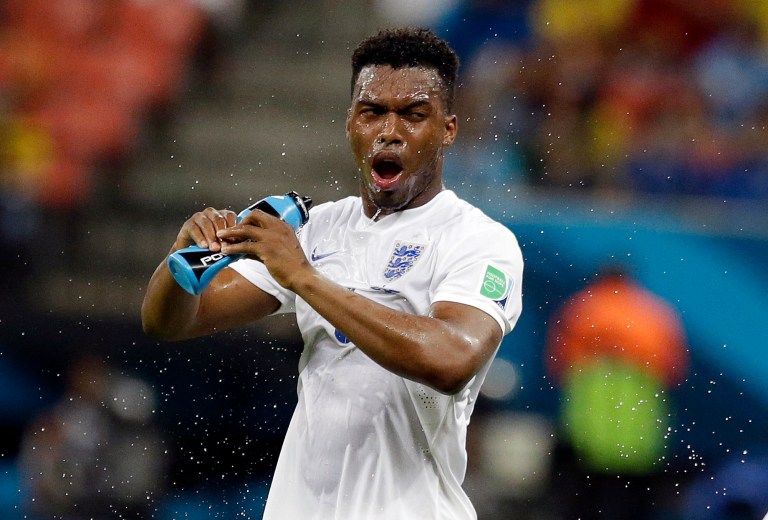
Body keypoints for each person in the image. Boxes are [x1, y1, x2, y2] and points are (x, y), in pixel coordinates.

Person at [142, 27, 524, 520]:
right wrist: (180, 263)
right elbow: (169, 323)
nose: (390, 131)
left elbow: (451, 361)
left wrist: (305, 278)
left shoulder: (478, 240)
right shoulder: (317, 228)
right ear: (350, 124)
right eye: (373, 112)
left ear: (447, 130)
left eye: (413, 115)